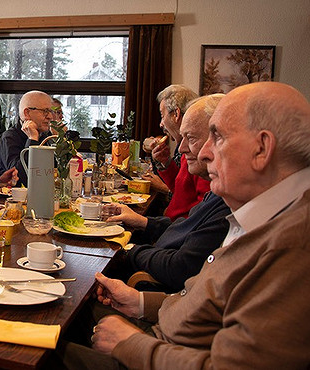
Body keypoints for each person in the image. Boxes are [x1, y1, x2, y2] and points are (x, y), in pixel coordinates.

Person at [61, 82, 310, 369]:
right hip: (159, 332)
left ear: (262, 148)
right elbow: (206, 304)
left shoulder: (292, 246)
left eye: (216, 137)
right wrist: (140, 302)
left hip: (152, 353)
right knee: (71, 311)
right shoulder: (258, 214)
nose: (203, 153)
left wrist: (131, 344)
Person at [103, 94, 230, 292]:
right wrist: (142, 221)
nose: (181, 147)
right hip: (161, 249)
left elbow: (181, 267)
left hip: (158, 277)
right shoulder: (218, 190)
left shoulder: (228, 200)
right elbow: (186, 219)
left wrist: (130, 250)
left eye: (191, 138)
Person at [146, 85, 210, 220]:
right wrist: (166, 163)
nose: (161, 124)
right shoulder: (183, 147)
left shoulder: (199, 153)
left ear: (176, 114)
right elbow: (183, 189)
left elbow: (200, 214)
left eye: (162, 116)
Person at [0, 90, 55, 186]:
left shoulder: (44, 136)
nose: (50, 117)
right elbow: (21, 178)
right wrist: (32, 139)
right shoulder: (9, 138)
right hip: (2, 197)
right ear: (27, 113)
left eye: (50, 111)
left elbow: (51, 170)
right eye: (45, 111)